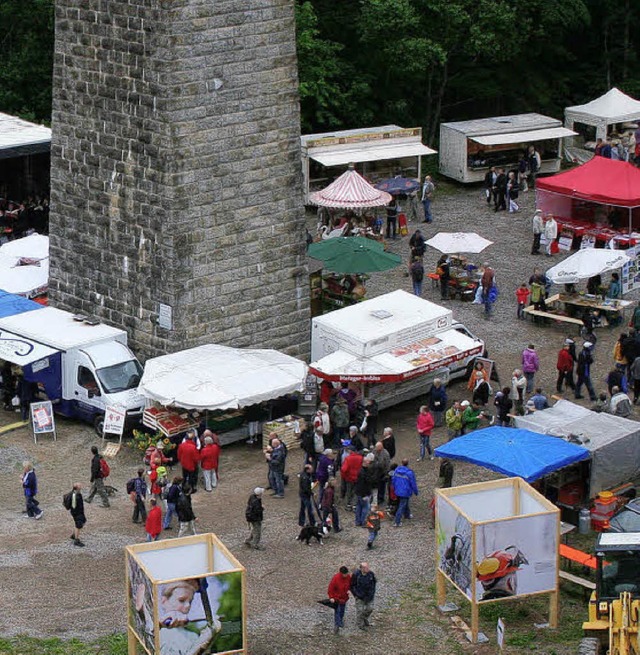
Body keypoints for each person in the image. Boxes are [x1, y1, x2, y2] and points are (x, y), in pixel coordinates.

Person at [158, 579, 221, 655]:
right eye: (181, 600)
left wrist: (206, 641)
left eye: (190, 601)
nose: (188, 605)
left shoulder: (193, 636)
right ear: (164, 601)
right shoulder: (156, 630)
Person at [392, 459, 418, 527]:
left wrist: (394, 488)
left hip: (398, 490)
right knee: (402, 505)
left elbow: (393, 480)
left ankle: (407, 515)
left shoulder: (396, 471)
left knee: (404, 503)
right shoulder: (409, 473)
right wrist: (415, 491)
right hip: (405, 491)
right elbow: (413, 483)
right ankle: (397, 521)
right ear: (407, 464)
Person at [351, 562, 377, 630]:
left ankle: (365, 618)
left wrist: (372, 593)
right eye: (365, 567)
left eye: (368, 567)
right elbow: (352, 586)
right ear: (361, 568)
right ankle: (360, 625)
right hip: (360, 596)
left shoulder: (371, 574)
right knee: (360, 611)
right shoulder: (356, 575)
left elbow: (374, 583)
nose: (367, 568)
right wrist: (356, 595)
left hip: (369, 596)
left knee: (370, 608)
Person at [327, 566, 352, 635]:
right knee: (337, 611)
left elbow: (350, 584)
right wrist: (331, 597)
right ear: (341, 573)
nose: (346, 575)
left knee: (342, 610)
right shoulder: (336, 578)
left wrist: (349, 590)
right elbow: (330, 588)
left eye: (347, 573)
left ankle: (340, 620)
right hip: (336, 598)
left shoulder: (348, 577)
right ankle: (337, 625)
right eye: (345, 574)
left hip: (344, 598)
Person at [354, 454, 375, 527]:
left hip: (359, 492)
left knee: (359, 507)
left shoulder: (361, 471)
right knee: (365, 508)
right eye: (368, 462)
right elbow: (364, 484)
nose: (369, 463)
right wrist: (365, 494)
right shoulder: (364, 472)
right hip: (364, 493)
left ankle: (357, 521)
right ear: (365, 462)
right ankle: (363, 522)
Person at [66, 482, 86, 547]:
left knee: (83, 521)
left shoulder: (76, 493)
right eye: (80, 485)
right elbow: (74, 506)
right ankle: (76, 540)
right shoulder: (75, 495)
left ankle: (74, 534)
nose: (81, 486)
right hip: (77, 513)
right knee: (78, 525)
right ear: (77, 487)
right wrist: (77, 514)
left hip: (79, 512)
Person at [372, 442, 391, 507]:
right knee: (376, 485)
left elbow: (387, 464)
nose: (376, 448)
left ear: (381, 447)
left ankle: (381, 498)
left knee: (382, 486)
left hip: (383, 472)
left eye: (377, 447)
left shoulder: (385, 454)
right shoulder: (374, 451)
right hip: (376, 471)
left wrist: (386, 473)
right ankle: (375, 497)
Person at [298, 463, 317, 527]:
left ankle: (301, 522)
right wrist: (312, 493)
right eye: (311, 469)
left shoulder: (303, 475)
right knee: (309, 509)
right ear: (307, 470)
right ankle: (313, 522)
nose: (312, 470)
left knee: (302, 508)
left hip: (302, 494)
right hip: (305, 495)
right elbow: (306, 489)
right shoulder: (305, 478)